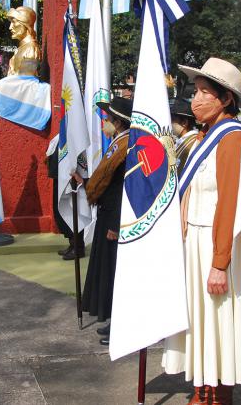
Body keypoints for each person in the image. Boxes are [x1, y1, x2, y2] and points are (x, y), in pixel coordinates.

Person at [162, 58, 241, 405]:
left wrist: (220, 261)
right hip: (195, 241)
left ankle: (218, 391)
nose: (195, 100)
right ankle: (201, 386)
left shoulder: (231, 137)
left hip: (214, 243)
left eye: (205, 92)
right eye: (195, 92)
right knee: (199, 321)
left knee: (217, 321)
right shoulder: (203, 138)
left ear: (226, 99)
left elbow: (229, 201)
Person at [81, 96, 132, 345]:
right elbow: (104, 181)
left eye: (108, 119)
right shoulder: (117, 142)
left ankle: (121, 325)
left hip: (114, 218)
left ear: (119, 122)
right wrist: (85, 182)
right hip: (107, 215)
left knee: (114, 272)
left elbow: (121, 189)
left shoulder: (125, 147)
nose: (104, 123)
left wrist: (115, 224)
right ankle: (113, 320)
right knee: (107, 271)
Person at [170, 98, 198, 173]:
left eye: (173, 120)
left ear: (184, 123)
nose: (170, 124)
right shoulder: (183, 141)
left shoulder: (193, 143)